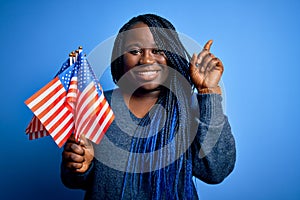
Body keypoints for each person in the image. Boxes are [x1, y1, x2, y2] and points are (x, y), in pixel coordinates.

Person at [61, 14, 236, 200]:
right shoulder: (96, 104)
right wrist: (80, 166)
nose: (145, 60)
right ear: (121, 57)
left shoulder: (190, 107)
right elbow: (71, 180)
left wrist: (208, 92)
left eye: (158, 50)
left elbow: (216, 171)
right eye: (135, 51)